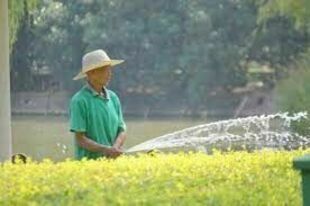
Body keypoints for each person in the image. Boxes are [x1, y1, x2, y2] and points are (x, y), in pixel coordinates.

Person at [69, 49, 127, 160]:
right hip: (88, 166)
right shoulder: (79, 101)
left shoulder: (113, 98)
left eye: (110, 69)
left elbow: (122, 129)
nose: (110, 74)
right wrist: (106, 150)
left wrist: (115, 147)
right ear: (91, 73)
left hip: (112, 165)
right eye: (105, 70)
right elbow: (80, 139)